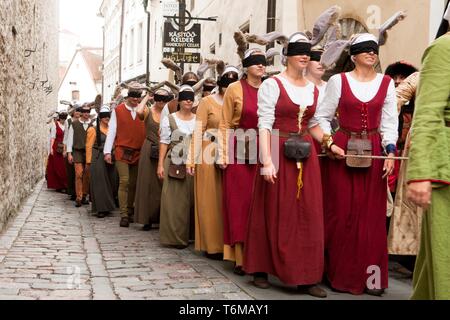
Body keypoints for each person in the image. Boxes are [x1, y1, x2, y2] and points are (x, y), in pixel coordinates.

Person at [314, 33, 398, 296]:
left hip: (373, 151)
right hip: (342, 148)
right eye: (365, 49)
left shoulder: (387, 83)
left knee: (371, 217)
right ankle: (338, 276)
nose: (372, 53)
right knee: (340, 214)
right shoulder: (338, 81)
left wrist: (391, 152)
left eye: (374, 50)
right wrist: (329, 144)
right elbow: (321, 118)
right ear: (353, 55)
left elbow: (389, 123)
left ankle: (372, 280)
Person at [243, 33, 326, 298]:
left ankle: (306, 275)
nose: (305, 56)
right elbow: (264, 124)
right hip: (277, 149)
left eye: (308, 52)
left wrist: (332, 144)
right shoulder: (273, 84)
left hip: (306, 154)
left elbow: (313, 125)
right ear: (287, 55)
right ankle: (261, 268)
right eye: (300, 51)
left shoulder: (314, 89)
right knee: (274, 210)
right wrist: (267, 161)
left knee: (308, 213)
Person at [406, 31, 450, 300]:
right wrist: (420, 173)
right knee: (445, 257)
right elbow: (426, 113)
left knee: (434, 264)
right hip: (446, 170)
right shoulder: (444, 48)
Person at [218, 48, 266, 275]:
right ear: (246, 66)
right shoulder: (234, 89)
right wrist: (223, 154)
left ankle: (259, 255)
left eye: (263, 62)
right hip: (238, 148)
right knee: (239, 203)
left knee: (262, 203)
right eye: (255, 62)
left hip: (265, 147)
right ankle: (238, 256)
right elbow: (225, 123)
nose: (260, 65)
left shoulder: (270, 87)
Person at [187, 66, 240, 259]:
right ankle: (212, 245)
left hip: (232, 150)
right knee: (210, 200)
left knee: (227, 198)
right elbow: (198, 130)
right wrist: (191, 158)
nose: (228, 89)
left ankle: (229, 245)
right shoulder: (207, 102)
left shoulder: (237, 102)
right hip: (208, 151)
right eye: (225, 84)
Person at [158, 85, 196, 249]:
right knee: (174, 200)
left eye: (191, 97)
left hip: (194, 160)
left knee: (192, 199)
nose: (188, 100)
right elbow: (164, 142)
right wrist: (160, 164)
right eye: (185, 97)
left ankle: (193, 236)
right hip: (174, 160)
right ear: (179, 100)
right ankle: (175, 237)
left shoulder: (198, 118)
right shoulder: (170, 118)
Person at [104, 83, 146, 227]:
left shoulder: (144, 110)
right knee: (125, 181)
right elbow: (112, 131)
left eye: (138, 98)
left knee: (134, 183)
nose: (135, 100)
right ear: (127, 97)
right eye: (133, 97)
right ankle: (123, 214)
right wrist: (107, 151)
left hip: (138, 152)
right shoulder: (118, 110)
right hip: (122, 150)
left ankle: (130, 209)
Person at [134, 89, 172, 230]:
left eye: (164, 98)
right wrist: (146, 98)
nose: (161, 101)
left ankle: (163, 217)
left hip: (165, 148)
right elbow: (138, 112)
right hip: (149, 148)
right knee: (147, 184)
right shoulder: (148, 111)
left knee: (163, 184)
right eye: (158, 98)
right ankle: (146, 218)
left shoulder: (170, 113)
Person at [86, 105, 118, 218]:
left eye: (108, 117)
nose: (107, 119)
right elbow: (89, 146)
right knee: (100, 183)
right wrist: (89, 163)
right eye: (105, 117)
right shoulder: (93, 130)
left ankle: (108, 206)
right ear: (100, 118)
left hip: (111, 156)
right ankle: (100, 208)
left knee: (111, 182)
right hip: (98, 157)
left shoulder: (112, 129)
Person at [67, 104, 95, 208]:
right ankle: (78, 198)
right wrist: (69, 153)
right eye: (85, 112)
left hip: (89, 152)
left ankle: (84, 195)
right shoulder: (74, 124)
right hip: (77, 151)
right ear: (82, 112)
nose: (86, 114)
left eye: (88, 112)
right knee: (79, 174)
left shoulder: (93, 124)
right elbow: (70, 138)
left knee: (87, 174)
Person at [46, 112, 68, 192]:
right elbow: (52, 137)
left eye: (64, 119)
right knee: (57, 166)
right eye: (62, 119)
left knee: (63, 167)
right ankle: (59, 186)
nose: (63, 120)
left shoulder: (66, 125)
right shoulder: (55, 125)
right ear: (60, 118)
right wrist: (51, 148)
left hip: (63, 146)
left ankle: (64, 185)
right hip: (56, 147)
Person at [64, 106, 81, 201]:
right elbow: (66, 136)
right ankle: (73, 192)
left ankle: (79, 192)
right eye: (76, 110)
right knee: (71, 172)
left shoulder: (84, 121)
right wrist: (65, 150)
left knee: (79, 173)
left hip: (80, 149)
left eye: (79, 111)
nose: (78, 112)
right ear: (73, 112)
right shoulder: (68, 121)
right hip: (72, 149)